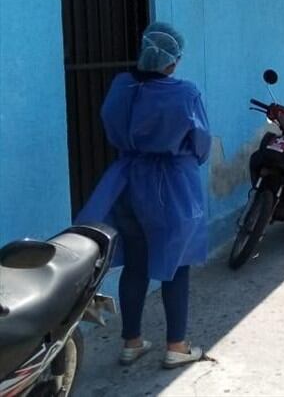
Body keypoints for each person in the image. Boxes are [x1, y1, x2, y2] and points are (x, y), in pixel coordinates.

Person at [76, 22, 210, 369]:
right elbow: (200, 143)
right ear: (174, 62)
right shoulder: (185, 93)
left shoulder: (121, 86)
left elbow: (109, 123)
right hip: (172, 183)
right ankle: (176, 346)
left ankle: (131, 342)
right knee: (176, 264)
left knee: (136, 263)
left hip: (128, 181)